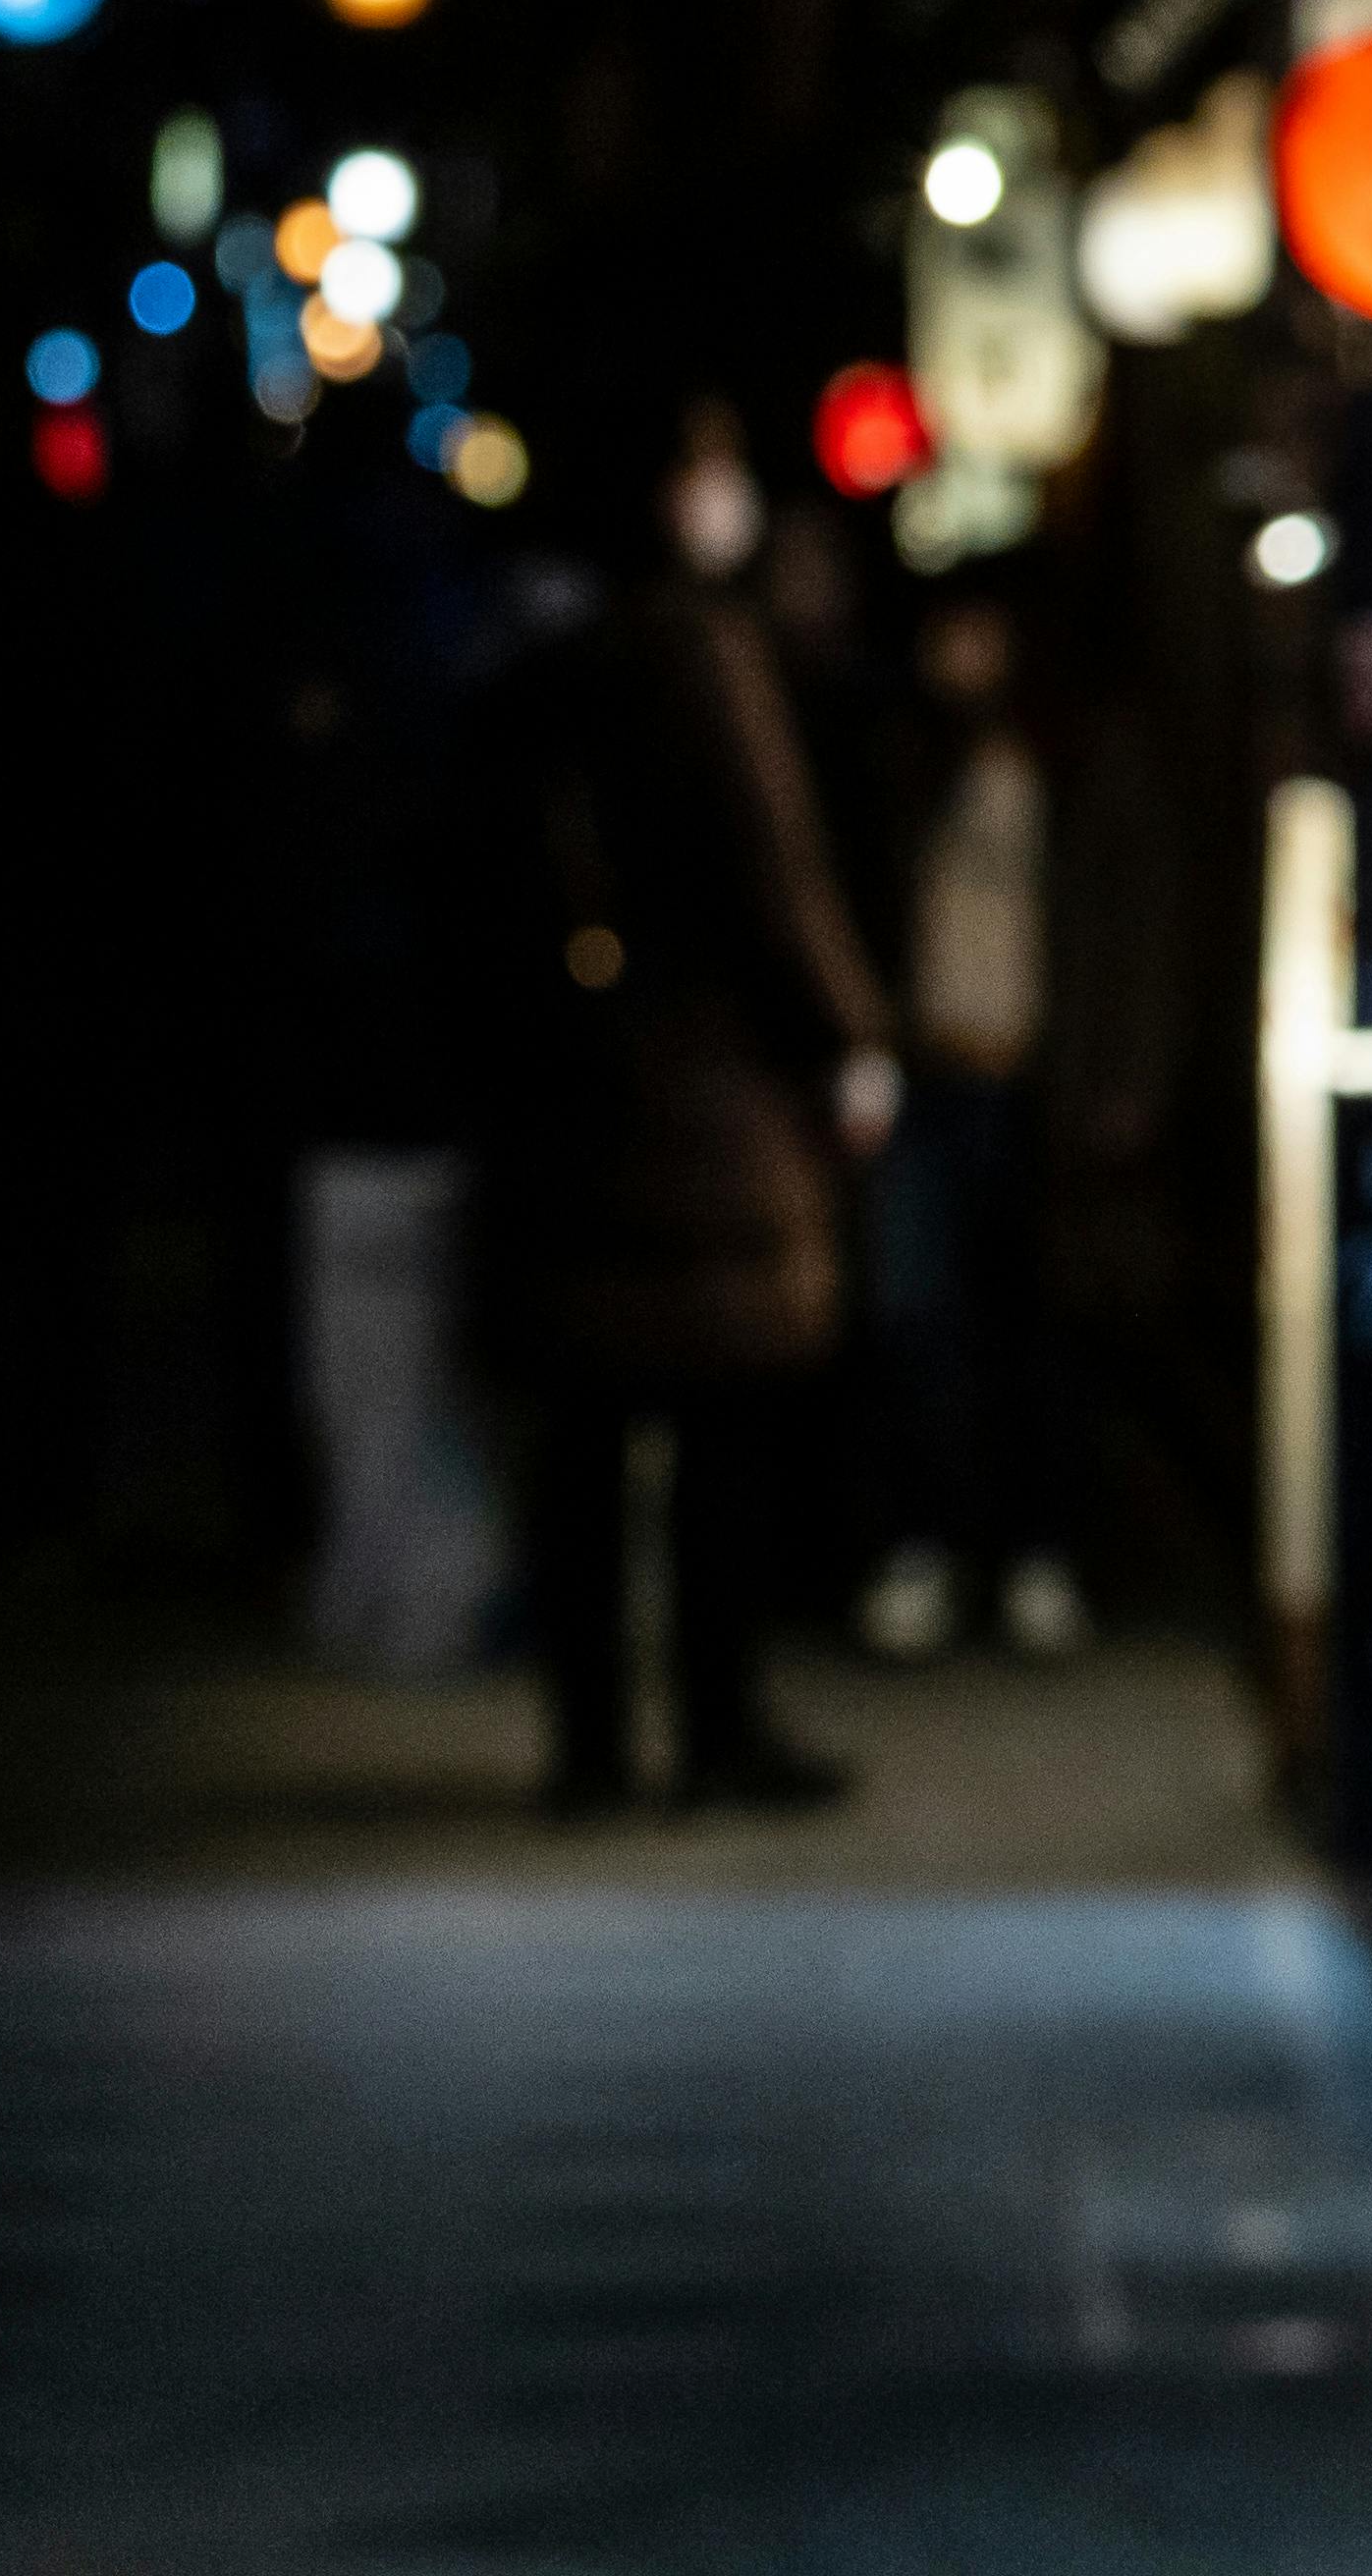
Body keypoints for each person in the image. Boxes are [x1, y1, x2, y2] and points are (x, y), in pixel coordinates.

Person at [503, 396, 901, 1811]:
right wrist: (850, 1037)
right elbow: (772, 865)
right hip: (708, 1094)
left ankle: (594, 1741)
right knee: (726, 1414)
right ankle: (720, 1722)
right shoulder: (701, 652)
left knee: (592, 1432)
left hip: (571, 1085)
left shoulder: (556, 650)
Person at [851, 591, 1086, 1663]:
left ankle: (1035, 1549)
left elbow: (1111, 916)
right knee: (917, 1321)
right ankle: (924, 1546)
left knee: (1027, 1327)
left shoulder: (1063, 752)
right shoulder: (899, 756)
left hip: (1029, 1079)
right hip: (926, 1071)